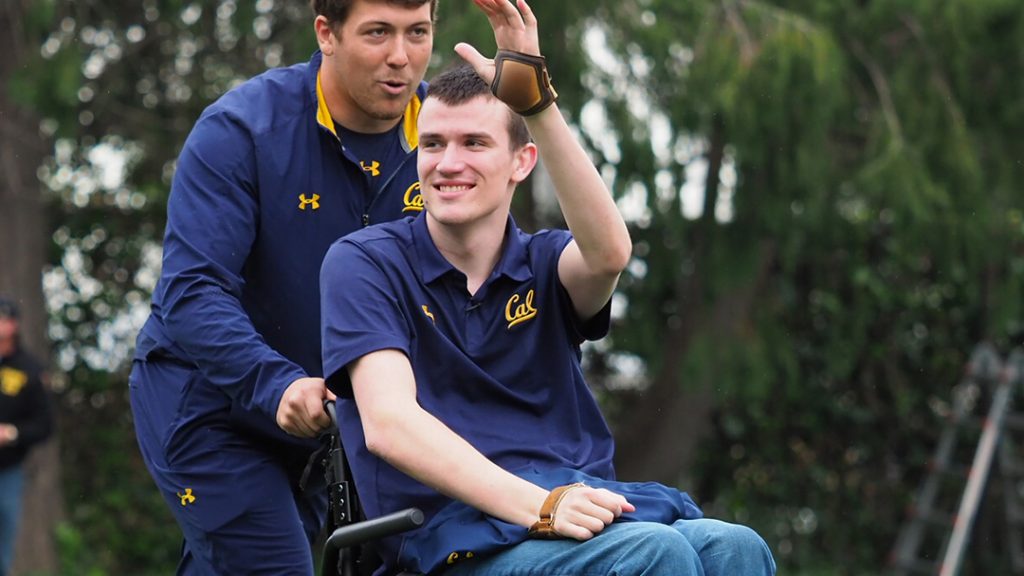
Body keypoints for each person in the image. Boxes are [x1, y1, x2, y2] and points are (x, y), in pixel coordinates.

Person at [319, 0, 777, 574]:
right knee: (654, 554)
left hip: (568, 506)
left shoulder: (544, 261)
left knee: (735, 547)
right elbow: (390, 426)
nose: (447, 162)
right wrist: (540, 507)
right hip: (451, 534)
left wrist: (535, 100)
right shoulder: (365, 263)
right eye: (433, 144)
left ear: (522, 161)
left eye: (474, 143)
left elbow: (609, 252)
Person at [127, 0, 437, 572]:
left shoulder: (442, 139)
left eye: (417, 32)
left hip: (328, 427)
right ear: (327, 33)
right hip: (210, 411)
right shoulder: (242, 129)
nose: (401, 57)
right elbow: (191, 290)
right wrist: (278, 386)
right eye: (377, 33)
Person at [0, 298, 53, 576]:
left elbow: (45, 425)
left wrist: (11, 433)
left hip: (7, 471)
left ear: (13, 325)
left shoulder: (30, 369)